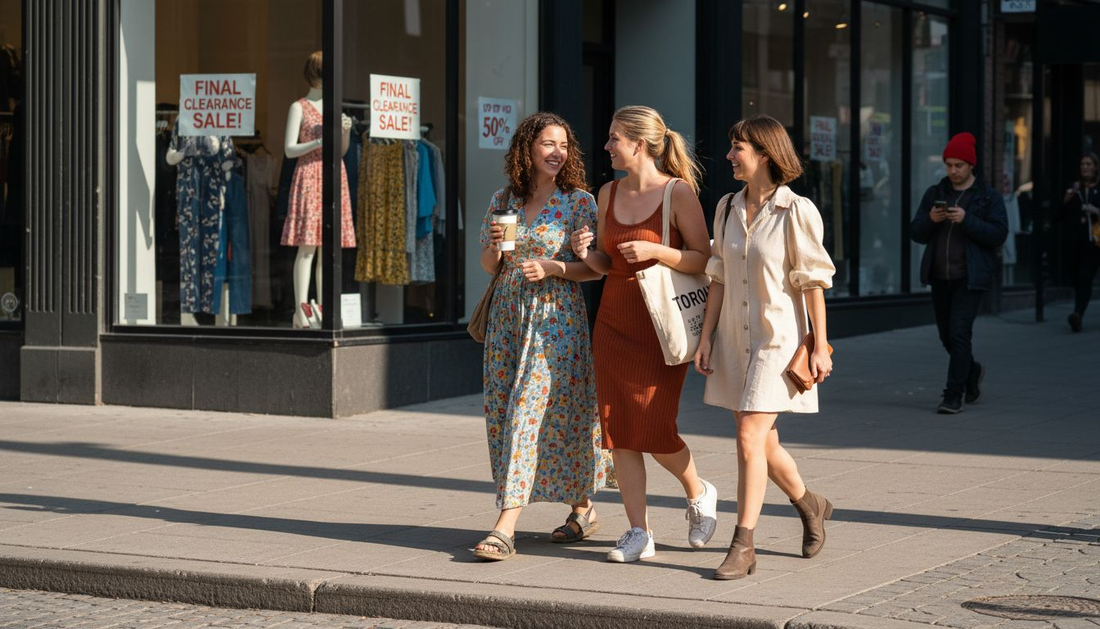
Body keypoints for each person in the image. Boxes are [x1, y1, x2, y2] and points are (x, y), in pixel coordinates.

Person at [570, 105, 718, 564]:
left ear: (638, 143)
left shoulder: (678, 193)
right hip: (614, 322)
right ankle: (639, 531)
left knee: (653, 428)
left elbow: (705, 259)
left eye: (615, 138)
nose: (608, 146)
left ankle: (698, 489)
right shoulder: (608, 193)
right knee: (617, 431)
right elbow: (604, 265)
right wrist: (586, 251)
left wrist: (659, 250)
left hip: (660, 326)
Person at [694, 114, 836, 580]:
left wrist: (821, 345)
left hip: (780, 341)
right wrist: (706, 337)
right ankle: (809, 503)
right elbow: (716, 276)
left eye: (739, 148)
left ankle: (744, 544)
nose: (731, 155)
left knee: (749, 437)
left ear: (765, 154)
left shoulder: (797, 210)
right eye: (732, 147)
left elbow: (813, 281)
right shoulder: (726, 207)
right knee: (762, 440)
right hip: (735, 339)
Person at [473, 112, 613, 561]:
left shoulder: (579, 202)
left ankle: (505, 526)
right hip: (507, 318)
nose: (558, 153)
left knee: (528, 412)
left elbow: (596, 270)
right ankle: (584, 508)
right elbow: (491, 266)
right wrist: (496, 246)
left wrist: (556, 266)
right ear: (527, 150)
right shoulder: (504, 198)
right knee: (513, 412)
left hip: (556, 319)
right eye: (548, 144)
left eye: (564, 145)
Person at [911, 132, 1008, 414]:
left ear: (971, 166)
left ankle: (954, 394)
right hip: (939, 276)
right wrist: (930, 220)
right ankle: (972, 370)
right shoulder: (935, 193)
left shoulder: (988, 198)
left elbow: (998, 234)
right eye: (949, 165)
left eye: (959, 165)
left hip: (970, 277)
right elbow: (916, 232)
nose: (952, 171)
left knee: (960, 332)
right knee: (947, 336)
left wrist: (967, 220)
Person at [1059, 153, 1100, 332]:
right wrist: (1068, 197)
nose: (1085, 167)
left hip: (1095, 241)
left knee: (1085, 277)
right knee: (1075, 276)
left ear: (1095, 167)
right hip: (1075, 240)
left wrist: (1096, 210)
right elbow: (1061, 212)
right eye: (1082, 164)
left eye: (1088, 164)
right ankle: (1079, 308)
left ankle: (1078, 314)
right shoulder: (1074, 187)